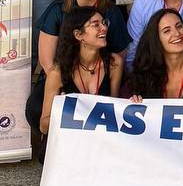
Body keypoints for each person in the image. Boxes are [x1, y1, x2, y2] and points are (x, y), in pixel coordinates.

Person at [36, 0, 130, 78]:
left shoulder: (112, 12)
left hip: (99, 81)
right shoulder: (57, 10)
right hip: (59, 79)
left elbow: (119, 57)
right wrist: (63, 86)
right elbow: (47, 62)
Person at [39, 7, 124, 136]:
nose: (104, 28)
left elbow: (113, 111)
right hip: (69, 141)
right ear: (78, 35)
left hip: (100, 140)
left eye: (104, 23)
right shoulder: (58, 72)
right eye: (96, 24)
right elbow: (43, 126)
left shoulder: (114, 63)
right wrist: (68, 115)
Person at [128, 8, 183, 101]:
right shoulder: (144, 74)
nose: (177, 33)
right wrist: (135, 103)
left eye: (179, 26)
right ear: (156, 39)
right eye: (167, 31)